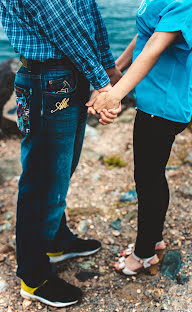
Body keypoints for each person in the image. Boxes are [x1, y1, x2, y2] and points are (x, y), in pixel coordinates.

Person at [0, 0, 122, 307]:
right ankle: (34, 275)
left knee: (58, 171)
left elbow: (86, 11)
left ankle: (55, 240)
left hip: (64, 79)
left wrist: (106, 67)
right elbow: (62, 23)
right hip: (46, 81)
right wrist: (102, 82)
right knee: (42, 180)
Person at [87, 0, 192, 275]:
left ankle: (144, 255)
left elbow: (155, 46)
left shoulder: (191, 2)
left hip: (163, 106)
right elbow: (146, 33)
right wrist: (118, 68)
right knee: (149, 177)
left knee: (148, 180)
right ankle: (152, 240)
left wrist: (113, 96)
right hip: (151, 100)